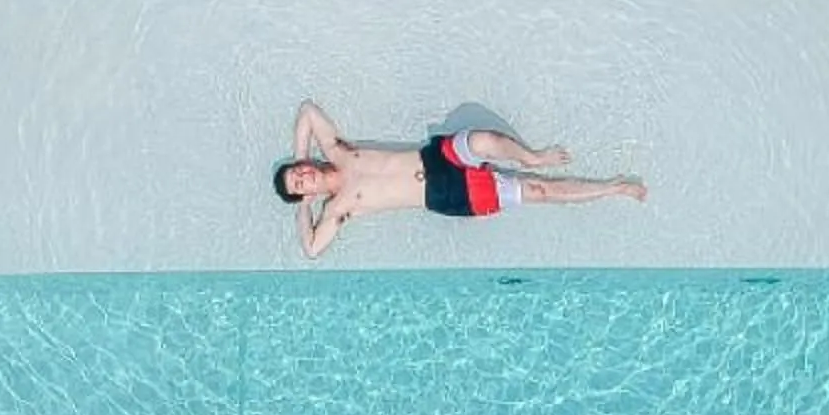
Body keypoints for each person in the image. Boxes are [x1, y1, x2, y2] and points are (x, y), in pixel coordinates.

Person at [273, 103, 646, 258]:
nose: (304, 176)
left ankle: (533, 155)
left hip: (436, 158)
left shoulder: (336, 149)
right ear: (307, 195)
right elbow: (311, 249)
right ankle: (614, 187)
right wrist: (305, 208)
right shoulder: (338, 209)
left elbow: (307, 112)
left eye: (297, 172)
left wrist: (299, 153)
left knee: (483, 140)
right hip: (446, 194)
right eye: (300, 185)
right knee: (538, 191)